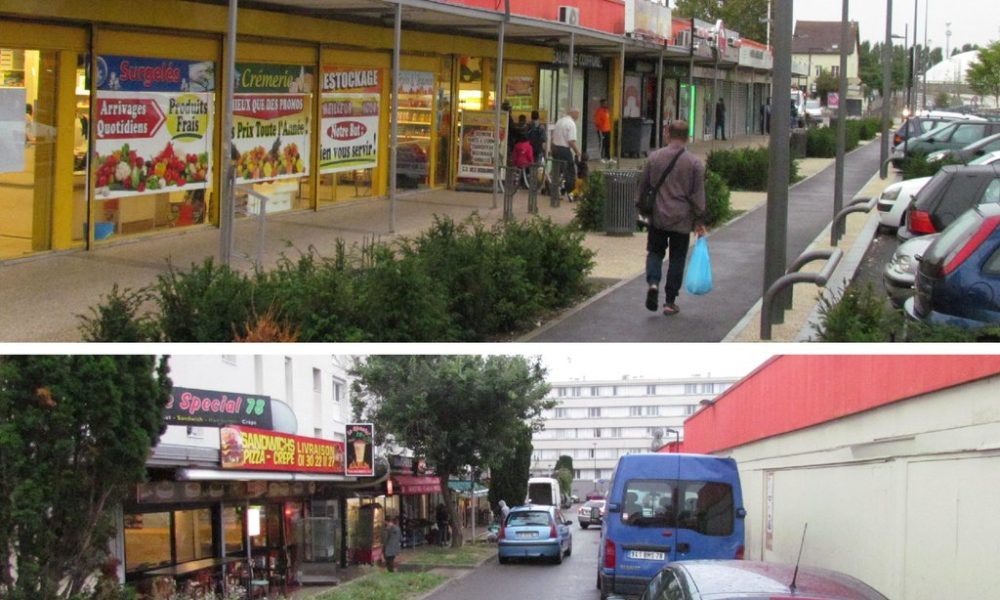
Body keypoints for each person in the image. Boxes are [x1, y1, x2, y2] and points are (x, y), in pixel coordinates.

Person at [638, 120, 707, 316]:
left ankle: (653, 283)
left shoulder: (654, 158)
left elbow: (643, 186)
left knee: (655, 252)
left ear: (668, 134)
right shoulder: (694, 163)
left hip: (658, 216)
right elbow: (698, 195)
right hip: (682, 219)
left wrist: (641, 208)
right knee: (677, 258)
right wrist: (700, 220)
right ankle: (670, 301)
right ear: (687, 137)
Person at [551, 107, 581, 197]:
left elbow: (553, 137)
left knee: (557, 171)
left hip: (555, 149)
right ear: (573, 113)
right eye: (578, 113)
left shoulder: (559, 121)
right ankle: (571, 193)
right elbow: (571, 141)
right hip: (564, 150)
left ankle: (555, 190)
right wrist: (577, 152)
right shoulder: (571, 124)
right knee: (570, 171)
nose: (578, 116)